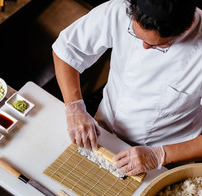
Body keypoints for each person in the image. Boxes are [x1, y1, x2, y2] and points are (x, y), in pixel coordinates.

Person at [52, 0, 202, 176]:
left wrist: (159, 155)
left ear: (188, 25)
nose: (144, 47)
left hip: (167, 159)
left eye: (157, 45)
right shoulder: (119, 10)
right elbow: (67, 49)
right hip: (103, 132)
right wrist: (74, 106)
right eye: (137, 36)